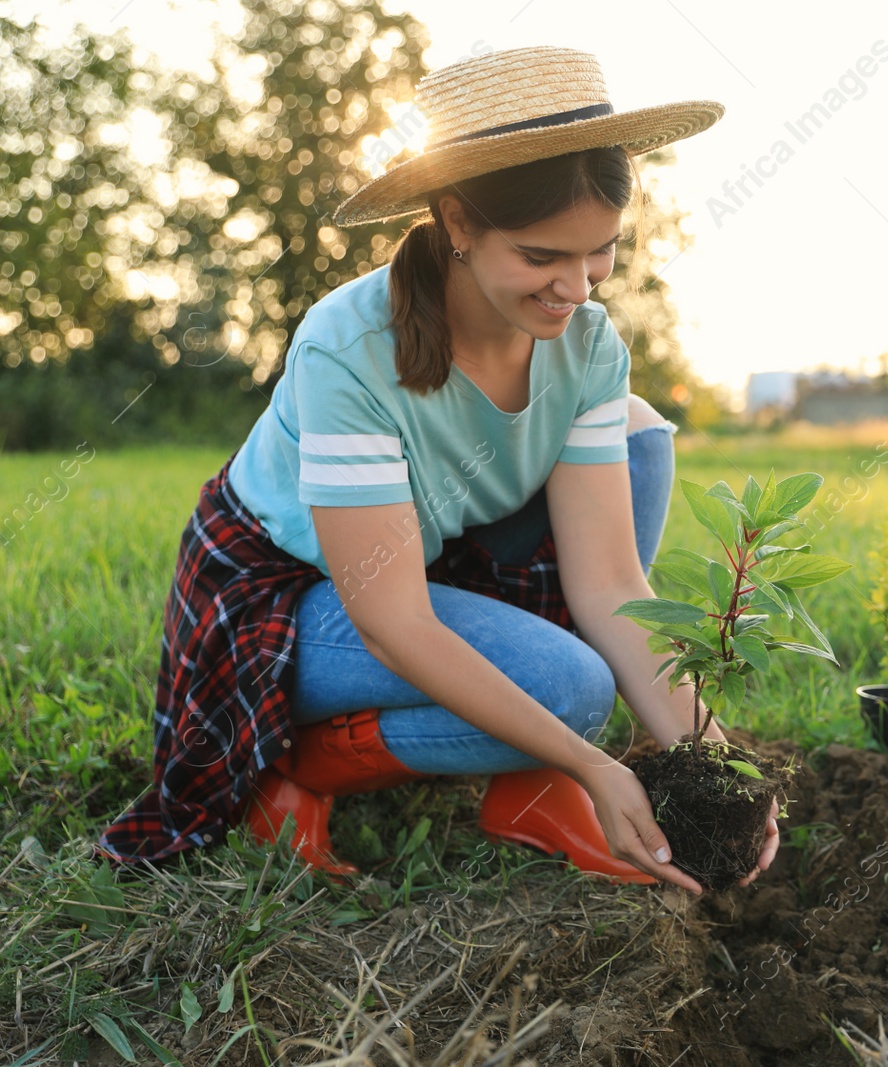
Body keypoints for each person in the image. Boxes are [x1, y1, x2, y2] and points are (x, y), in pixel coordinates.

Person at [94, 45, 778, 896]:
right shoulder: (349, 350)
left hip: (429, 553)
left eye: (600, 251)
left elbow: (609, 582)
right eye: (540, 257)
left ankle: (529, 788)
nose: (576, 286)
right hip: (289, 595)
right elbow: (391, 621)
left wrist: (712, 761)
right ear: (458, 222)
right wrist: (591, 762)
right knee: (572, 691)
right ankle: (287, 767)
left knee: (639, 437)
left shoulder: (589, 344)